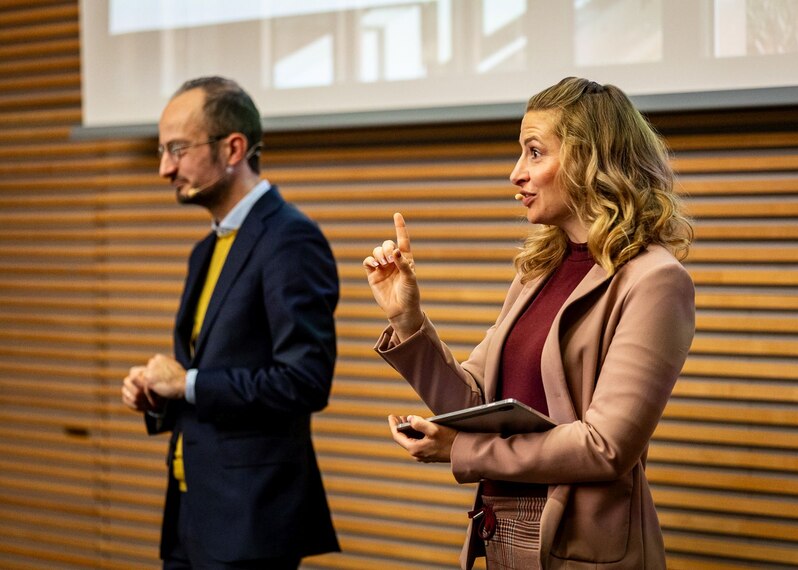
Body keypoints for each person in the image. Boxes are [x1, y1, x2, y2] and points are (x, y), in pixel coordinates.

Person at [363, 77, 695, 569]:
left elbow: (605, 447)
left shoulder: (655, 280)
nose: (516, 173)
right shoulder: (538, 271)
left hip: (581, 551)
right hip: (501, 534)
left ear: (590, 161)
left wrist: (464, 450)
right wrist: (408, 320)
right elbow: (475, 401)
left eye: (535, 152)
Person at [121, 76, 340, 569]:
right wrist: (161, 394)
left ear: (233, 147)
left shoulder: (290, 239)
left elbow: (306, 381)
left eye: (177, 149)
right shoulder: (206, 250)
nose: (164, 169)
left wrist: (189, 383)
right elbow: (211, 376)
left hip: (250, 524)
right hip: (191, 510)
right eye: (162, 151)